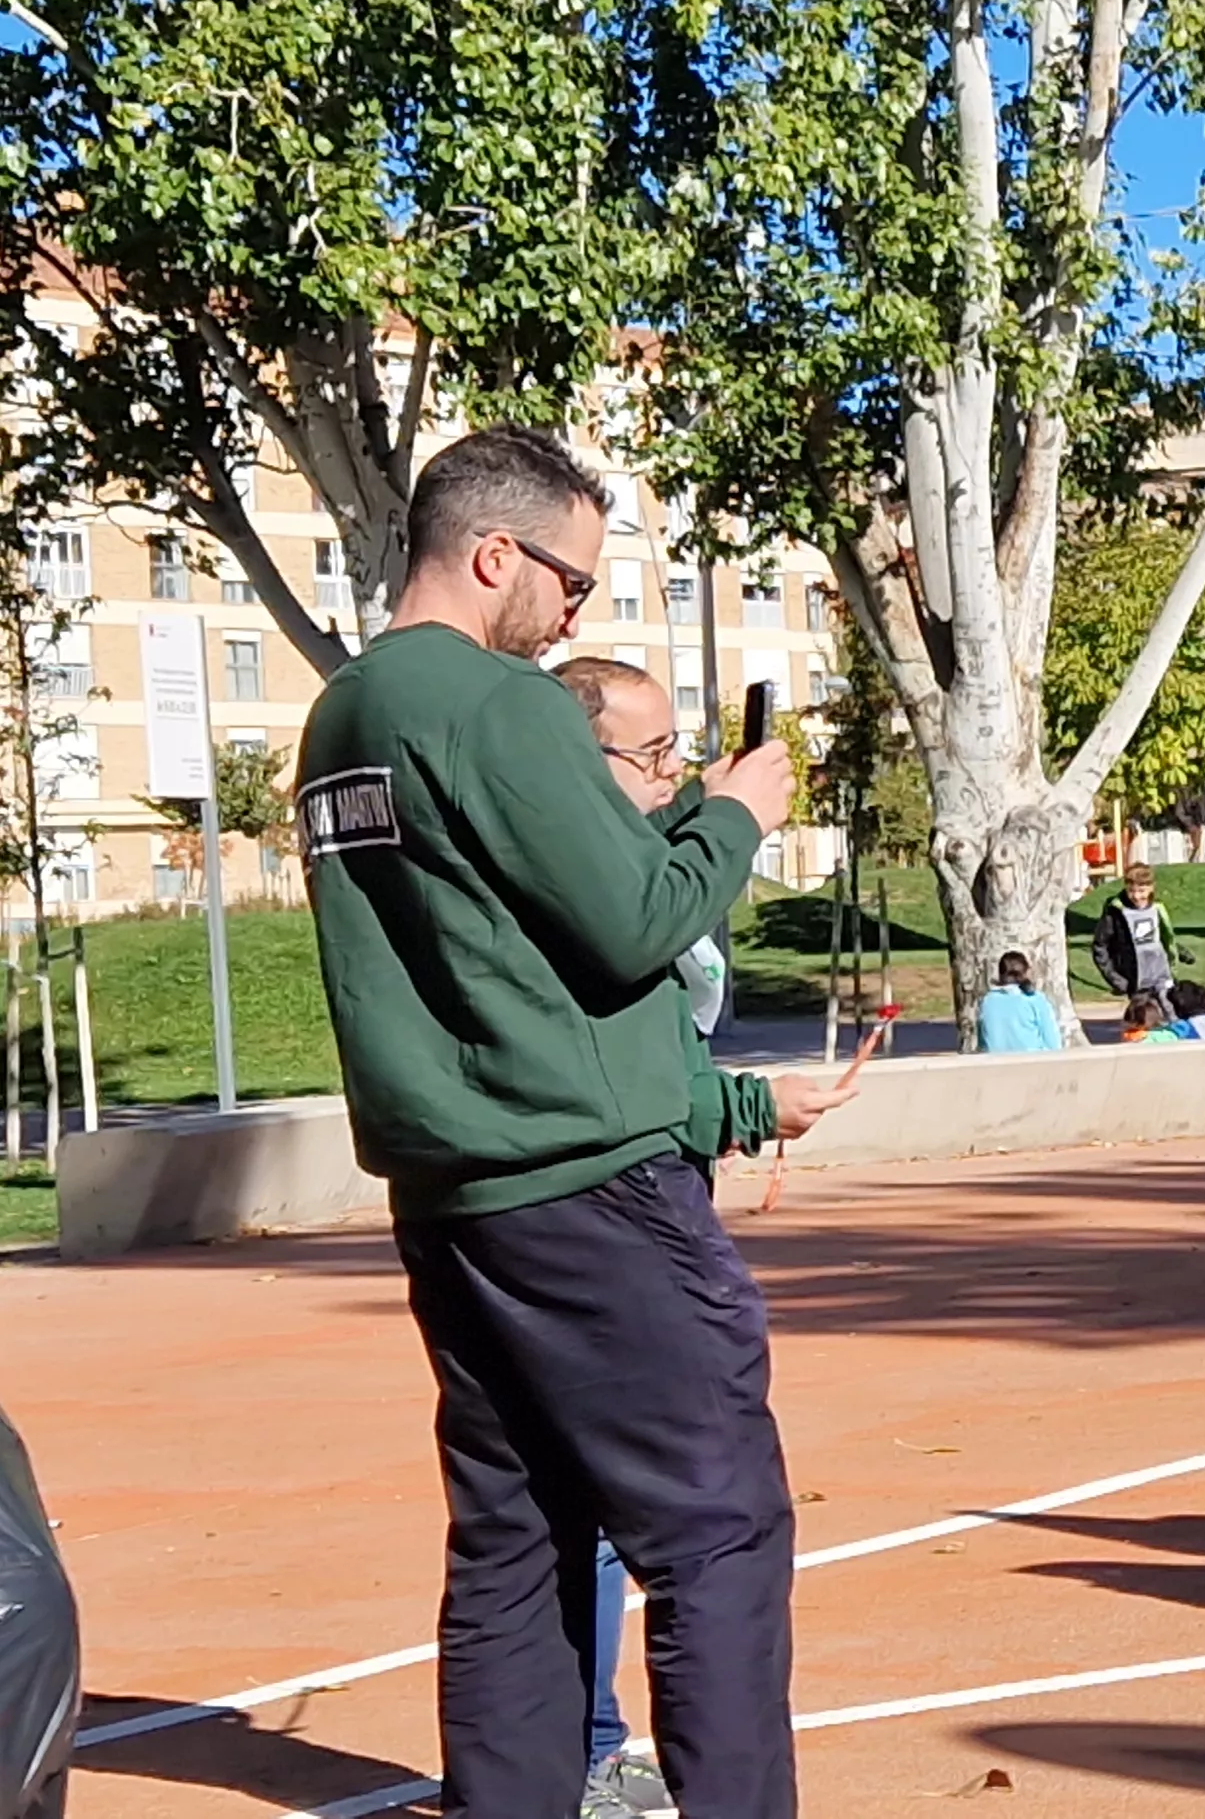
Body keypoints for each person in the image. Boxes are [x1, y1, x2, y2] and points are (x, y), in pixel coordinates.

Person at [298, 427, 830, 1815]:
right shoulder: (497, 704)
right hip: (589, 1189)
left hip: (455, 1191)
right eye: (573, 581)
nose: (577, 612)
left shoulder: (344, 717)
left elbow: (518, 919)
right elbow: (635, 927)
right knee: (718, 1537)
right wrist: (732, 816)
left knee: (513, 1542)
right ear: (493, 555)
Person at [550, 655, 858, 1816]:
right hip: (620, 1207)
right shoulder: (595, 883)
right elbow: (636, 1051)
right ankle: (593, 1758)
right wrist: (744, 1110)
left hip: (622, 1188)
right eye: (654, 754)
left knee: (561, 1502)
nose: (675, 771)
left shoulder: (627, 853)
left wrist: (713, 801)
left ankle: (572, 1753)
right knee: (690, 1511)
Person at [1091, 863, 1187, 1007]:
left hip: (1162, 975)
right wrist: (1116, 979)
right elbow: (1100, 946)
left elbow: (1161, 938)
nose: (1136, 896)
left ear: (1151, 888)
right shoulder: (1116, 912)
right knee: (1144, 1020)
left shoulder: (1157, 907)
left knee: (1170, 1014)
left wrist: (1180, 952)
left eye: (1141, 891)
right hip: (1136, 981)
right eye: (1131, 891)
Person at [977, 952, 1071, 1053]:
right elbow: (1053, 1044)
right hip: (1032, 1062)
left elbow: (983, 1040)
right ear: (1026, 972)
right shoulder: (1035, 999)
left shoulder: (987, 1001)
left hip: (995, 1063)